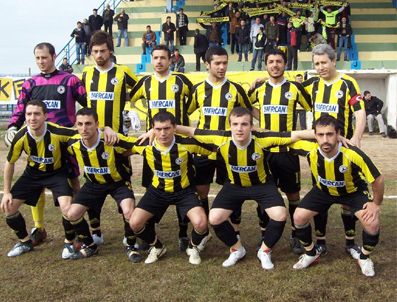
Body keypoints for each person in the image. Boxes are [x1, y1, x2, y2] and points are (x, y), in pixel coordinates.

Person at [176, 107, 317, 268]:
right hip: (234, 186)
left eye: (244, 124)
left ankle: (264, 251)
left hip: (262, 185)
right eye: (235, 124)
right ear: (229, 126)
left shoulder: (263, 138)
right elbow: (189, 131)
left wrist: (332, 136)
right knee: (214, 218)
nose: (239, 128)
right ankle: (236, 249)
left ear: (252, 126)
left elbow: (296, 134)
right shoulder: (220, 137)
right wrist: (154, 131)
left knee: (280, 214)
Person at [4, 42, 87, 247]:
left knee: (74, 183)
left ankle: (76, 228)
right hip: (39, 143)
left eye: (45, 57)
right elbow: (21, 107)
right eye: (38, 58)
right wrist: (13, 126)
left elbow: (89, 104)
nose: (41, 62)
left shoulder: (70, 80)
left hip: (65, 144)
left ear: (54, 57)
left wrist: (85, 123)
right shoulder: (31, 83)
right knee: (37, 187)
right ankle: (39, 228)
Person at [290, 115, 383, 277]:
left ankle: (364, 257)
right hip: (323, 191)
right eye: (320, 135)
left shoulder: (352, 152)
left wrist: (375, 204)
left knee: (372, 223)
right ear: (315, 135)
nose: (325, 140)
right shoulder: (309, 148)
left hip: (352, 192)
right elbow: (284, 136)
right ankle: (311, 253)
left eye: (330, 134)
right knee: (298, 217)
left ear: (338, 133)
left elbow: (378, 179)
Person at [302, 43, 366, 257]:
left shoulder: (348, 83)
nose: (320, 67)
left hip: (344, 150)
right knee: (321, 194)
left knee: (348, 196)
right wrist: (262, 80)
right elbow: (287, 89)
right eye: (316, 63)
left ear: (333, 61)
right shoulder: (312, 85)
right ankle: (320, 241)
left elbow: (360, 113)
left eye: (323, 62)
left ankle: (350, 242)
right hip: (320, 151)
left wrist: (356, 138)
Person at [130, 44, 193, 251]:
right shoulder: (146, 82)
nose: (159, 61)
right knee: (154, 186)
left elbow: (194, 101)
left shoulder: (181, 81)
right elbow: (132, 100)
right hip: (154, 145)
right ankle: (149, 231)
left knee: (182, 187)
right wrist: (148, 125)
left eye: (163, 58)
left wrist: (182, 126)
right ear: (151, 60)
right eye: (155, 58)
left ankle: (183, 233)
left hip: (180, 144)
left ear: (170, 60)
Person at [249, 49, 311, 254]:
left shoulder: (294, 88)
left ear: (285, 64)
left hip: (288, 151)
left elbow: (312, 106)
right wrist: (260, 120)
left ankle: (296, 236)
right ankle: (265, 237)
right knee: (263, 195)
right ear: (265, 65)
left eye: (278, 61)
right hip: (265, 152)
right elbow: (242, 105)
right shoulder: (258, 90)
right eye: (271, 61)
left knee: (293, 195)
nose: (274, 65)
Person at [128, 112, 212, 265]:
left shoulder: (187, 144)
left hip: (184, 192)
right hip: (157, 192)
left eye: (167, 128)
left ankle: (192, 247)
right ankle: (158, 247)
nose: (163, 133)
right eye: (158, 129)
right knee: (134, 223)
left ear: (175, 128)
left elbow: (215, 147)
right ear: (152, 129)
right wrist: (107, 129)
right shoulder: (145, 144)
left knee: (201, 223)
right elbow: (119, 145)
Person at [187, 46, 252, 239]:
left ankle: (236, 230)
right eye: (217, 63)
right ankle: (204, 229)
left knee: (234, 189)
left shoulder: (236, 89)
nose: (222, 67)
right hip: (203, 149)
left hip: (228, 150)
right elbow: (187, 113)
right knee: (201, 190)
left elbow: (247, 113)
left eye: (225, 63)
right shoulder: (198, 89)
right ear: (207, 64)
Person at [82, 30, 138, 244]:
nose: (99, 55)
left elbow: (143, 90)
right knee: (93, 183)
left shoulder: (123, 72)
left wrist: (132, 107)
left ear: (110, 51)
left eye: (102, 51)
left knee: (123, 186)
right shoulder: (86, 74)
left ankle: (129, 234)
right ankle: (95, 231)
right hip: (92, 141)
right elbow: (80, 102)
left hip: (118, 141)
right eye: (95, 51)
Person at [2, 100, 75, 258]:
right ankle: (25, 241)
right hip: (32, 174)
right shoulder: (20, 136)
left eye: (36, 114)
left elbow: (82, 134)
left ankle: (69, 242)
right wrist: (7, 192)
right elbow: (10, 163)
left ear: (45, 116)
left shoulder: (58, 132)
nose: (32, 118)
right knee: (8, 208)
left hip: (57, 173)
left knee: (68, 209)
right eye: (29, 114)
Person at [66, 108, 140, 261]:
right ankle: (90, 246)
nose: (84, 128)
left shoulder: (111, 139)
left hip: (118, 183)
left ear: (97, 124)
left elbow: (138, 144)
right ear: (76, 125)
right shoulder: (72, 143)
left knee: (129, 212)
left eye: (88, 124)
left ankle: (130, 244)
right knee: (72, 214)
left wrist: (151, 133)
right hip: (93, 184)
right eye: (80, 124)